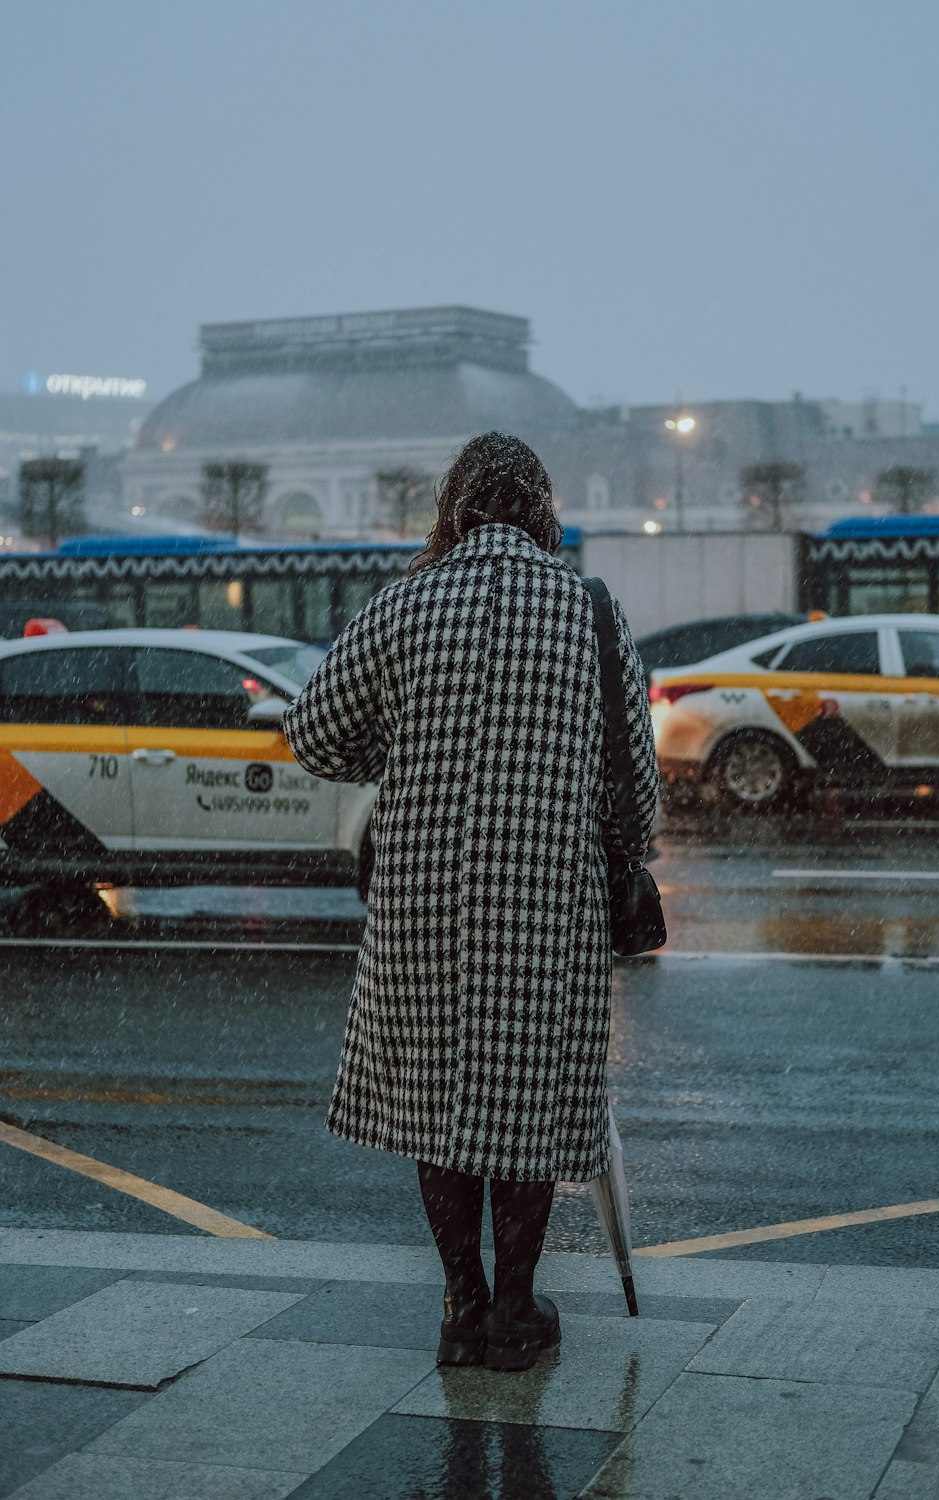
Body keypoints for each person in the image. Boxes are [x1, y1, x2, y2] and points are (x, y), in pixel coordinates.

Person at [283, 432, 658, 1371]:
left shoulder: (408, 602)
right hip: (544, 906)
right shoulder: (592, 614)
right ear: (541, 509)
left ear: (451, 507)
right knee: (522, 1107)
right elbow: (635, 790)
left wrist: (400, 752)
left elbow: (312, 733)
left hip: (420, 901)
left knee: (437, 1105)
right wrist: (616, 847)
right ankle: (518, 1315)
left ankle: (462, 1305)